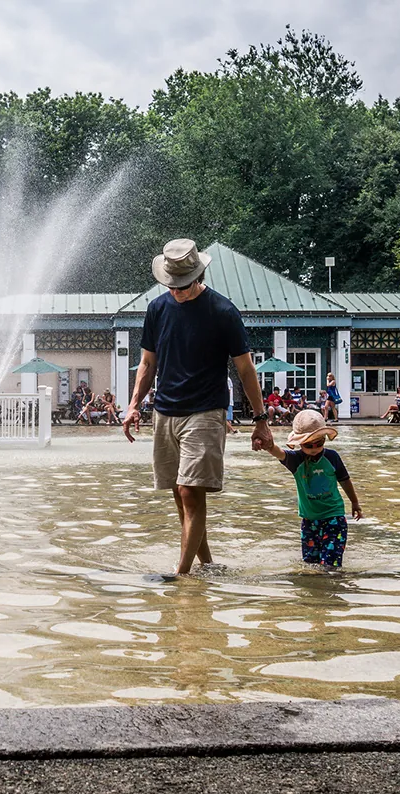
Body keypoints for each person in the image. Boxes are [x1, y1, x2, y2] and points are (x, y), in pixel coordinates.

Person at [123, 238, 272, 577]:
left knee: (191, 490)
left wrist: (260, 419)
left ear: (198, 276)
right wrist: (134, 405)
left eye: (183, 286)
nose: (177, 292)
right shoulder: (157, 310)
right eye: (171, 285)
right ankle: (207, 565)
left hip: (205, 411)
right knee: (179, 492)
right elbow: (147, 364)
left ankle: (181, 575)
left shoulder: (222, 311)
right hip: (165, 411)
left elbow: (246, 369)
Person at [259, 410, 363, 569]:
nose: (314, 448)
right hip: (309, 521)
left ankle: (334, 588)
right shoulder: (295, 460)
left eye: (319, 443)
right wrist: (268, 445)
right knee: (310, 565)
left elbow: (345, 480)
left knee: (330, 565)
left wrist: (355, 502)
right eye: (308, 445)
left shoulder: (332, 457)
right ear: (300, 443)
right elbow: (278, 452)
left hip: (334, 518)